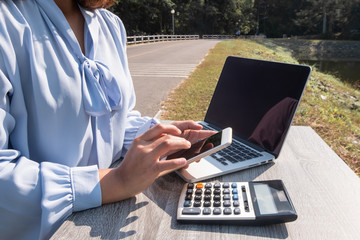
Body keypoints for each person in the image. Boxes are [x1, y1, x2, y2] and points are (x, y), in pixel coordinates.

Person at [0, 0, 213, 239]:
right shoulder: (7, 23)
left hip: (110, 220)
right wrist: (115, 182)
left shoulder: (110, 25)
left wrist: (158, 137)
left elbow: (113, 119)